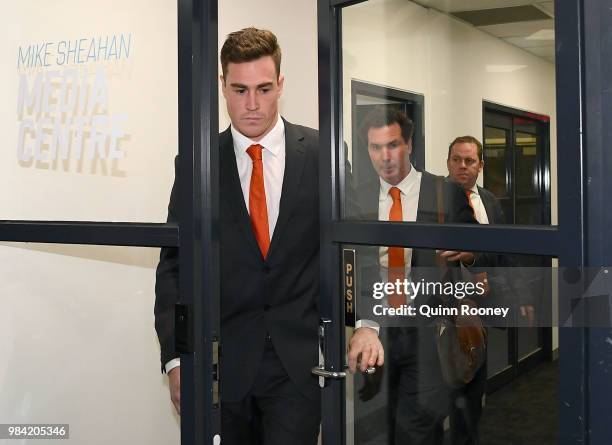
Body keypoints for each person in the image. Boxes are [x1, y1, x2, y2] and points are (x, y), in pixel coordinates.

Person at [155, 27, 321, 445]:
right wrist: (176, 360)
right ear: (222, 87)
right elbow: (174, 267)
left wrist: (362, 324)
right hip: (219, 365)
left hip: (297, 367)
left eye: (264, 89)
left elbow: (346, 251)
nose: (252, 104)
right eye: (240, 89)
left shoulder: (323, 154)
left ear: (280, 84)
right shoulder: (196, 164)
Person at [346, 107, 484, 445]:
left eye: (392, 145)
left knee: (418, 430)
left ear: (409, 144)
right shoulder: (358, 196)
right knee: (376, 428)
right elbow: (350, 258)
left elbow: (480, 245)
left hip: (426, 332)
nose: (385, 156)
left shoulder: (444, 192)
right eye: (375, 147)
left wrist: (467, 252)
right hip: (375, 330)